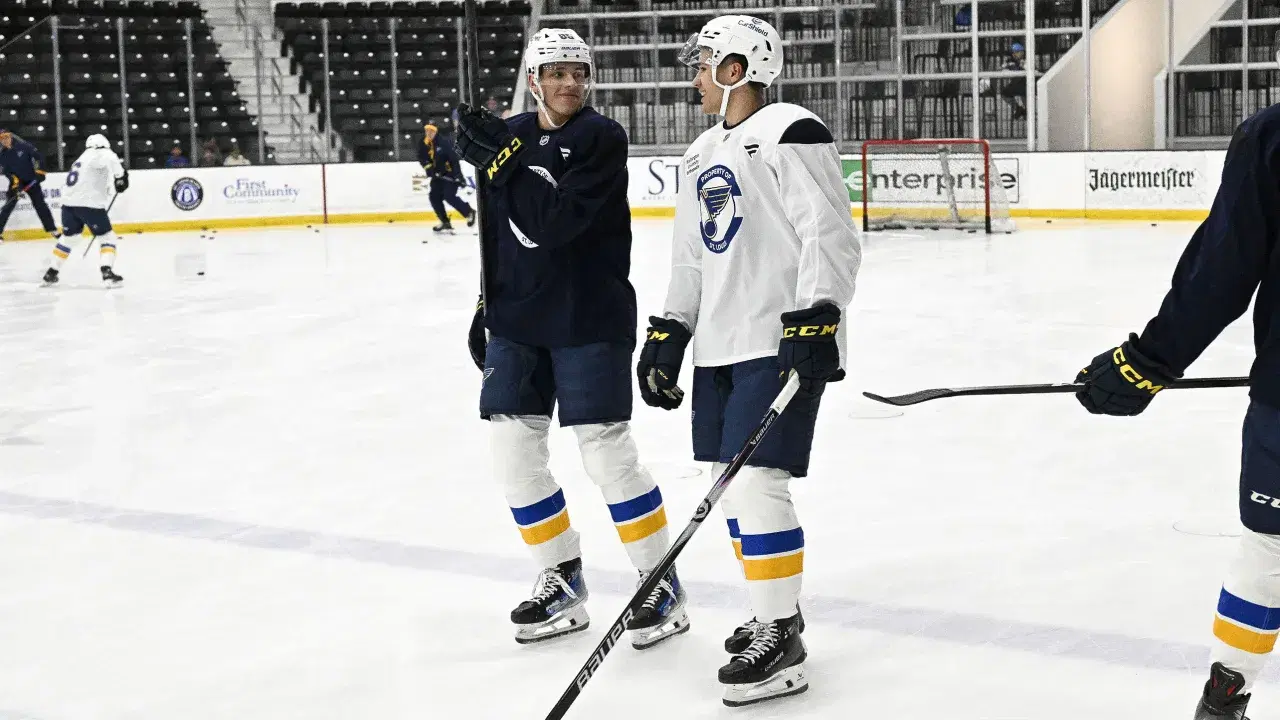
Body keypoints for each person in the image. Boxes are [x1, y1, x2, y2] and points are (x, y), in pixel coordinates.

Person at [635, 15, 861, 707]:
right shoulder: (702, 151)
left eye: (704, 63)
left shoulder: (792, 129)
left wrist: (819, 313)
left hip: (781, 336)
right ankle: (773, 610)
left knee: (757, 481)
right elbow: (689, 255)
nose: (694, 76)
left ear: (736, 68)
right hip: (723, 345)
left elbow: (829, 231)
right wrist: (671, 330)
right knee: (728, 482)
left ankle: (780, 632)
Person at [453, 28, 689, 649]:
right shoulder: (512, 136)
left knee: (606, 452)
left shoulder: (600, 139)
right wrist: (486, 300)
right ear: (534, 78)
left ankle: (659, 583)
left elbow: (554, 224)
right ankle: (560, 577)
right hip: (518, 321)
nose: (569, 84)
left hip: (589, 315)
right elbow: (499, 232)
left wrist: (504, 162)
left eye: (578, 73)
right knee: (512, 455)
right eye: (555, 72)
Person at [1072, 105, 1280, 720]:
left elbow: (1225, 266)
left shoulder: (1273, 135)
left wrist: (1148, 362)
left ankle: (1225, 696)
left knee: (1271, 545)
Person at [41, 134, 127, 287]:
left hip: (68, 205)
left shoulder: (82, 158)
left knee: (69, 238)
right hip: (90, 205)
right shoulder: (103, 153)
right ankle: (106, 272)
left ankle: (51, 272)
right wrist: (121, 177)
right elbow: (113, 162)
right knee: (107, 237)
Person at [0, 128, 63, 243]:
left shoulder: (24, 146)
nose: (5, 140)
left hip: (32, 180)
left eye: (6, 137)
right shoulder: (2, 155)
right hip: (17, 183)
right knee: (7, 206)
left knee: (40, 205)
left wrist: (40, 172)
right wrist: (16, 186)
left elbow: (38, 158)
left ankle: (52, 229)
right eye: (2, 138)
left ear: (10, 136)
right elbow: (8, 173)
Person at [418, 123, 474, 236]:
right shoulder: (423, 143)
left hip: (450, 174)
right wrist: (430, 170)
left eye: (431, 131)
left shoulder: (443, 143)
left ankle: (469, 212)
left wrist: (458, 176)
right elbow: (422, 158)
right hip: (436, 176)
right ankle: (445, 222)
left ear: (435, 131)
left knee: (448, 195)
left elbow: (454, 160)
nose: (428, 133)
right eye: (427, 131)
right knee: (434, 197)